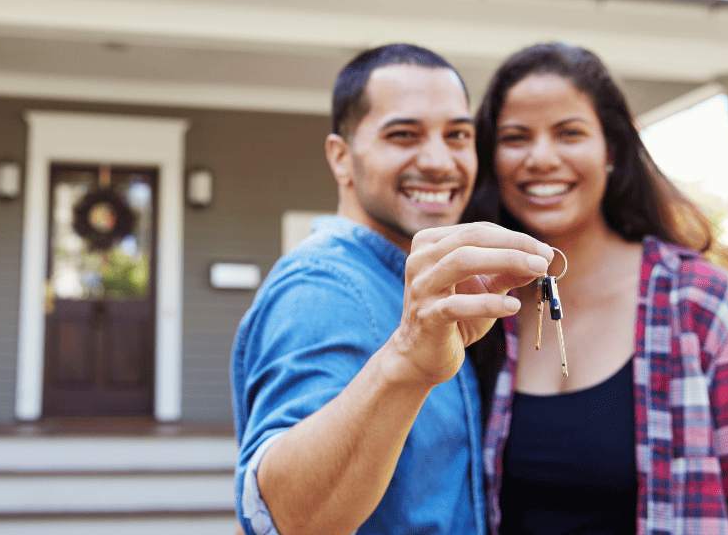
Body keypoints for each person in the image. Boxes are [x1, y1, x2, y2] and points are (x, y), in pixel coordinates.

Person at [230, 43, 555, 535]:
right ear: (341, 158)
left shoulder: (419, 283)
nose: (439, 161)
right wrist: (406, 361)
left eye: (457, 135)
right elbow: (283, 518)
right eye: (404, 134)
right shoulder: (321, 289)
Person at [463, 42, 728, 535]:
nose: (541, 157)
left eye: (569, 133)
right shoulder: (477, 305)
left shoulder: (703, 300)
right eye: (515, 137)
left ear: (611, 150)